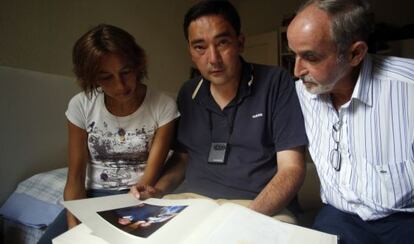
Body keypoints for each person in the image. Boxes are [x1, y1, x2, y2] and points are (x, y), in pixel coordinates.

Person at [132, 0, 308, 222]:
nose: (213, 59)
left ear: (240, 43)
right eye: (200, 47)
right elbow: (182, 159)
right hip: (194, 202)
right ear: (190, 51)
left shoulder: (276, 82)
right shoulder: (188, 92)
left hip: (259, 206)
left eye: (222, 42)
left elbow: (291, 168)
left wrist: (245, 218)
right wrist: (157, 190)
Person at [37, 24, 179, 244]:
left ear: (138, 64)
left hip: (136, 195)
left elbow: (148, 179)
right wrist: (74, 227)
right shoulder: (81, 105)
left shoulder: (163, 106)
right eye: (106, 77)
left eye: (126, 72)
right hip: (91, 196)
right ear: (92, 77)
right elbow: (74, 178)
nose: (120, 86)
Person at [287, 0, 414, 243]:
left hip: (404, 222)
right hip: (338, 216)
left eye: (310, 57)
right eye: (294, 53)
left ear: (355, 53)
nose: (296, 70)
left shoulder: (409, 90)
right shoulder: (300, 92)